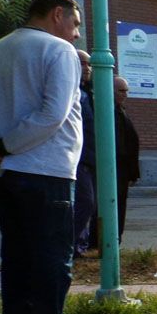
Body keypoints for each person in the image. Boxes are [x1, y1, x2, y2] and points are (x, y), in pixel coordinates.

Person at [0, 0, 98, 314]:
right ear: (57, 15)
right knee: (52, 263)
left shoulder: (4, 47)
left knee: (17, 259)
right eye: (74, 24)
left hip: (9, 174)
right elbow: (53, 114)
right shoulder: (58, 51)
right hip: (47, 171)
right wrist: (6, 144)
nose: (75, 34)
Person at [73, 49, 98, 258]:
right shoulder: (73, 92)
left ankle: (80, 246)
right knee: (85, 202)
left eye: (89, 64)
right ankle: (71, 246)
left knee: (90, 205)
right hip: (76, 159)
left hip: (92, 158)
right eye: (82, 63)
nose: (87, 68)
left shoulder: (89, 92)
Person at [113, 76, 141, 242]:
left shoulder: (121, 111)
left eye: (126, 91)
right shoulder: (107, 111)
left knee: (120, 206)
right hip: (113, 168)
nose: (125, 94)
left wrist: (133, 172)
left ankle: (116, 238)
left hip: (123, 170)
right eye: (121, 91)